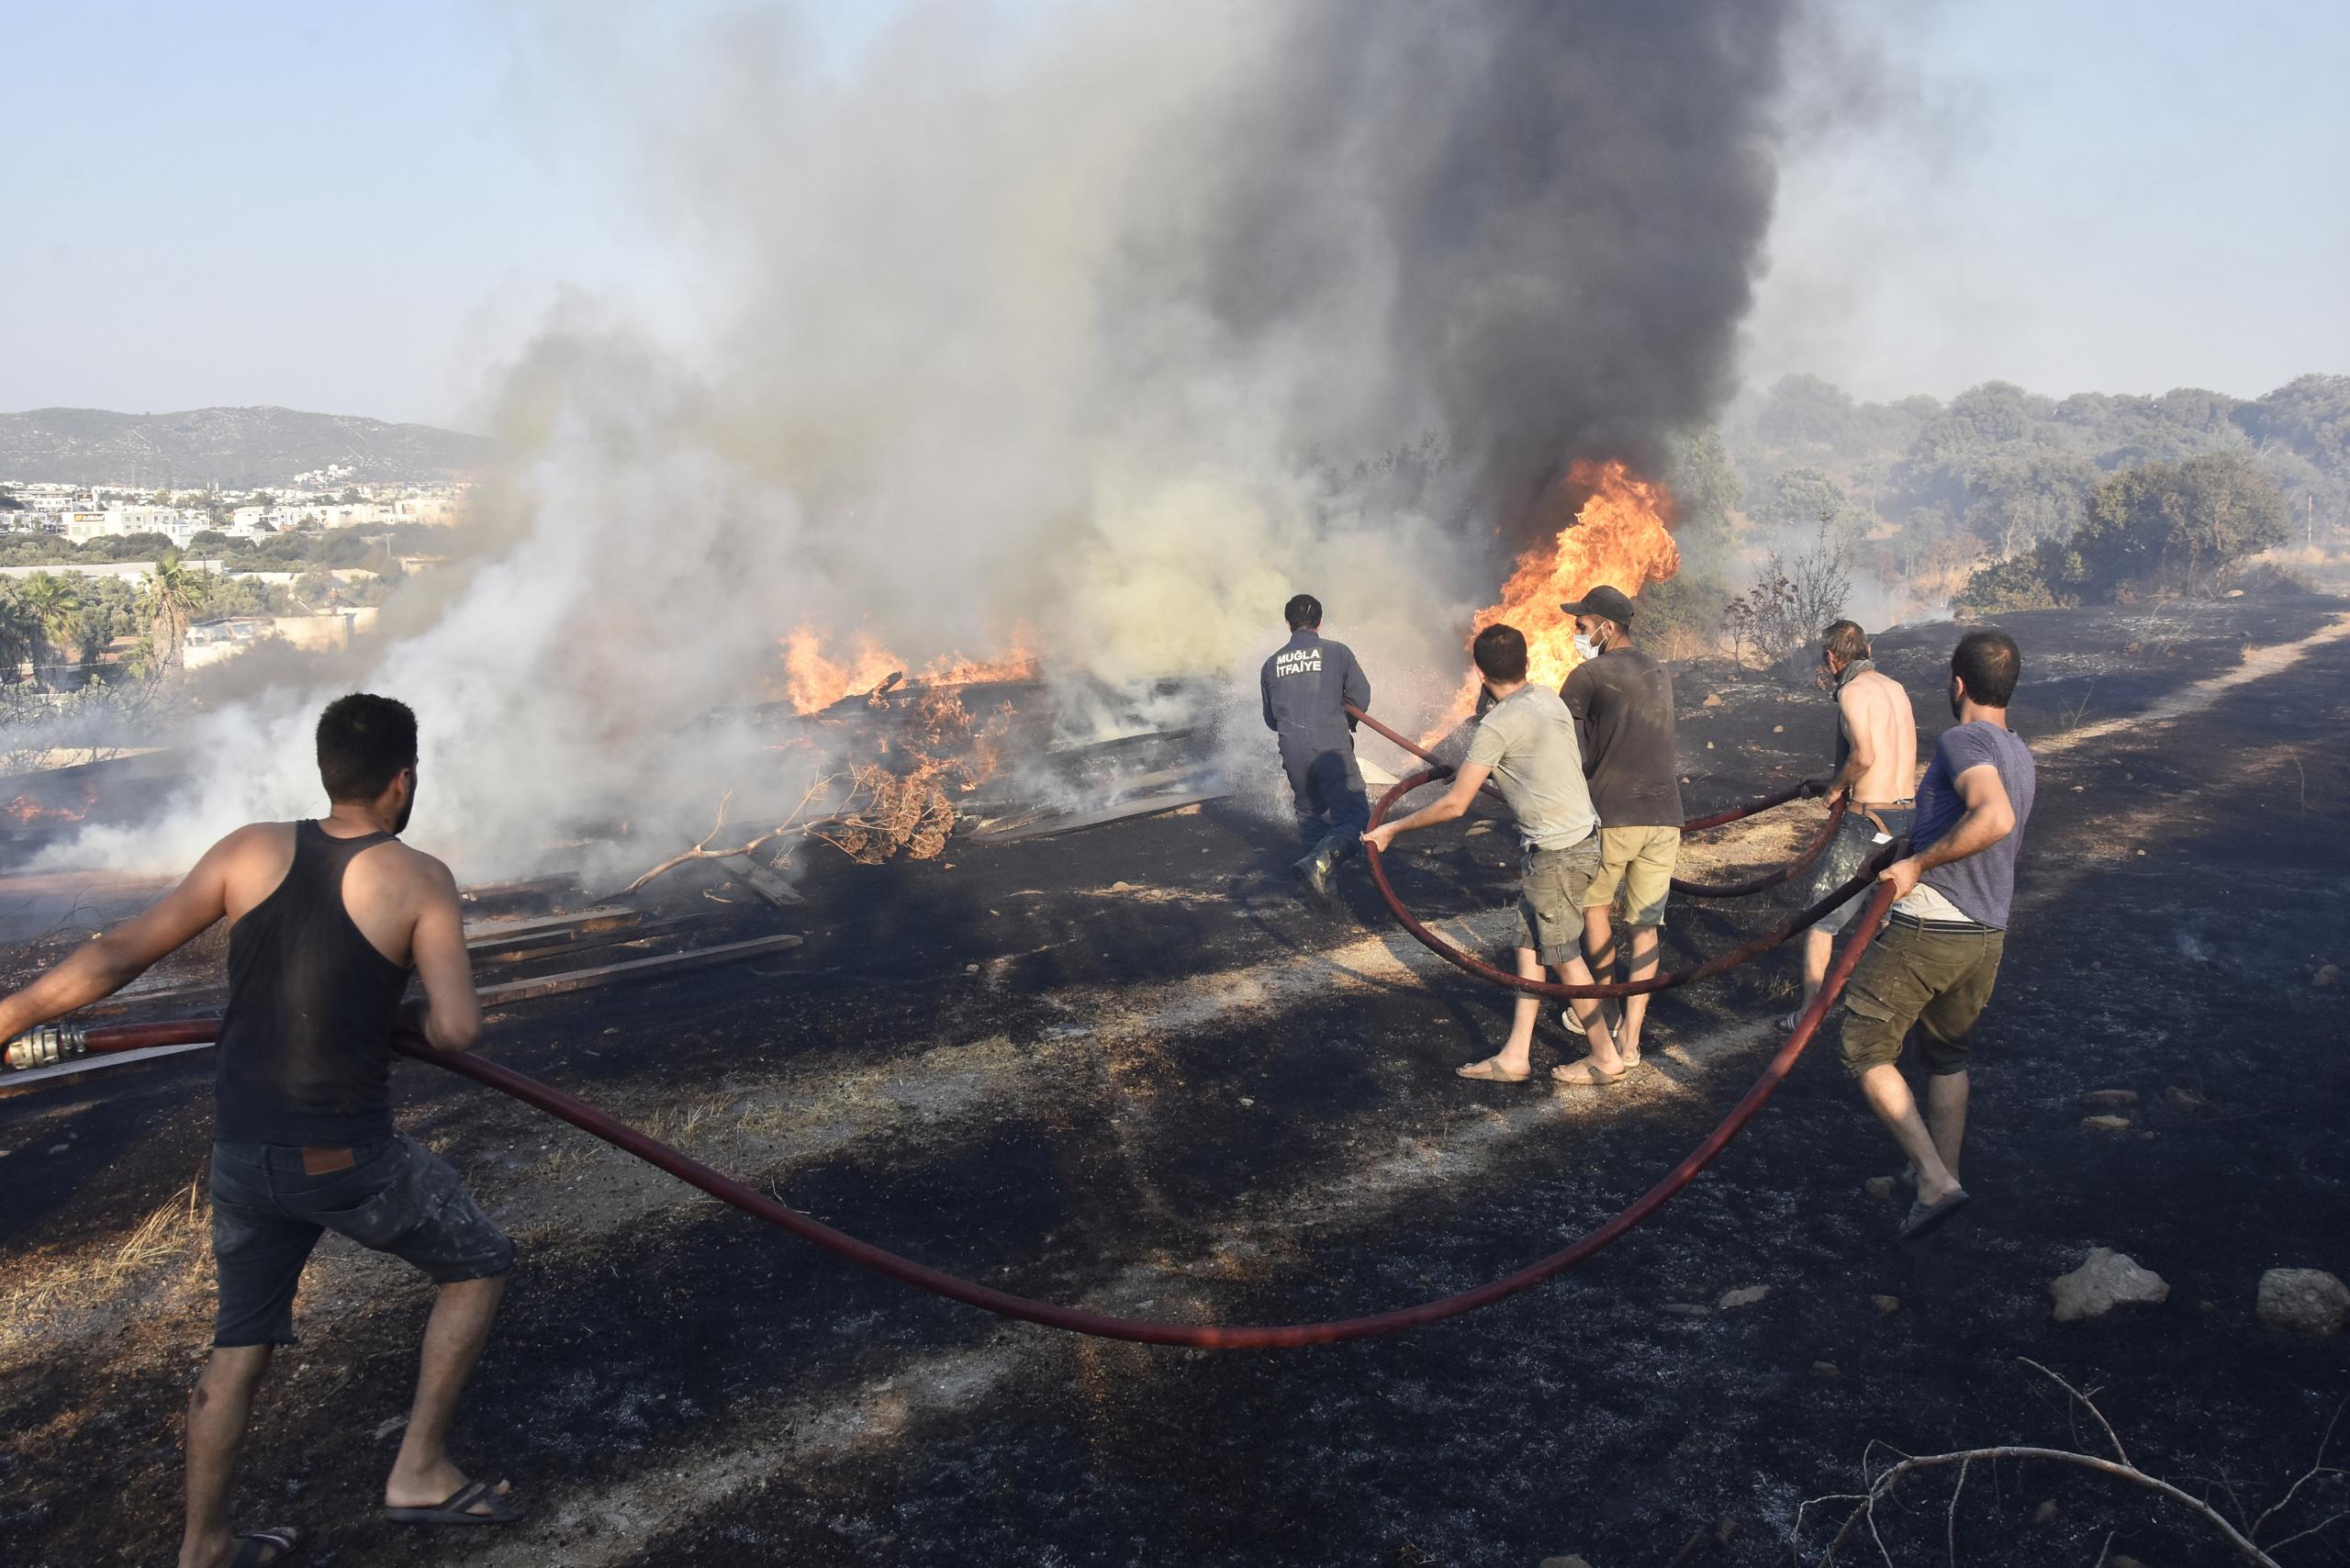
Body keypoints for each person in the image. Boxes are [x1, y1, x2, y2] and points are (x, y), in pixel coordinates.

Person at [0, 694, 521, 1568]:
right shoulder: (419, 877)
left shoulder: (247, 850)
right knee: (479, 1260)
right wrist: (398, 1014)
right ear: (403, 782)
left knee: (238, 1345)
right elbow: (460, 1032)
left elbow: (118, 954)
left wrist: (8, 1014)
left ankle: (203, 1547)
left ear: (325, 771)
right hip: (347, 1157)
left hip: (242, 1155)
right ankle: (419, 1470)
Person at [1362, 623, 1629, 1086]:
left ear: (1481, 673)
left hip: (1559, 853)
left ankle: (1606, 1057)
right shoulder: (1548, 698)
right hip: (1570, 842)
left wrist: (1391, 829)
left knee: (1564, 955)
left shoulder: (1497, 724)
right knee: (1528, 945)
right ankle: (1516, 1056)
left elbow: (1455, 804)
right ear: (1526, 663)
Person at [1837, 631, 2036, 1241]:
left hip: (1933, 924)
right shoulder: (2018, 750)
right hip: (1986, 931)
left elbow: (1993, 817)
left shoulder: (1963, 739)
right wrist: (1910, 847)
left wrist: (1919, 868)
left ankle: (1933, 1179)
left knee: (1863, 1046)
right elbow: (1973, 822)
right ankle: (1944, 1173)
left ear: (1957, 683)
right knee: (1948, 1057)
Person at [1558, 584, 1680, 1064]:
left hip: (1612, 815)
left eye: (1582, 625)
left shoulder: (1587, 675)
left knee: (1595, 911)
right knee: (1645, 927)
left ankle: (1605, 1013)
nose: (1576, 632)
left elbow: (1570, 752)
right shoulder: (1659, 669)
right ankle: (1631, 1041)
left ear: (1607, 627)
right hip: (1665, 817)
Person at [1779, 619, 1919, 1030]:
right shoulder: (1895, 688)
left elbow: (1864, 757)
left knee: (1822, 920)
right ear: (1869, 650)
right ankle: (1886, 1010)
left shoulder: (1852, 693)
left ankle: (1808, 1014)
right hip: (1906, 817)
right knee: (1887, 915)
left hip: (1866, 820)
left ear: (1830, 657)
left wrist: (1836, 789)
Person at [1260, 592, 1373, 899]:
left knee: (1310, 814)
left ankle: (1321, 890)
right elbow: (1361, 697)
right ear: (1319, 622)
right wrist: (1343, 717)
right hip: (1331, 746)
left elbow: (1272, 718)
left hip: (1293, 750)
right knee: (1355, 817)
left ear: (1289, 623)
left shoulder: (1271, 665)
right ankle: (1320, 863)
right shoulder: (1337, 652)